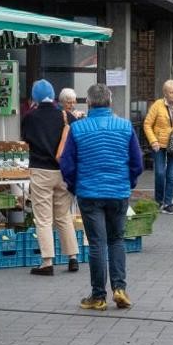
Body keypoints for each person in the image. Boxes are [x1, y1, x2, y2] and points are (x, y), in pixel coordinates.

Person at [60, 84, 143, 311]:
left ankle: (98, 295)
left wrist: (75, 185)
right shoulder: (125, 127)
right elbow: (137, 163)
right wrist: (128, 183)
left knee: (97, 243)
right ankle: (120, 288)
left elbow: (67, 164)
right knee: (117, 240)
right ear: (110, 101)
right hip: (118, 192)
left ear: (88, 102)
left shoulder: (78, 128)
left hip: (89, 192)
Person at [20, 79, 80, 276]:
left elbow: (26, 139)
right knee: (63, 215)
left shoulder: (30, 117)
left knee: (44, 218)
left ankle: (47, 262)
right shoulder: (67, 115)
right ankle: (73, 258)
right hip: (63, 172)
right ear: (54, 95)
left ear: (35, 96)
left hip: (41, 171)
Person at [143, 79, 173, 214]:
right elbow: (147, 124)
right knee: (159, 173)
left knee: (171, 175)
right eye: (171, 92)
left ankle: (168, 203)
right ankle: (158, 201)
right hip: (159, 144)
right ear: (165, 93)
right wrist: (153, 141)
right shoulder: (157, 105)